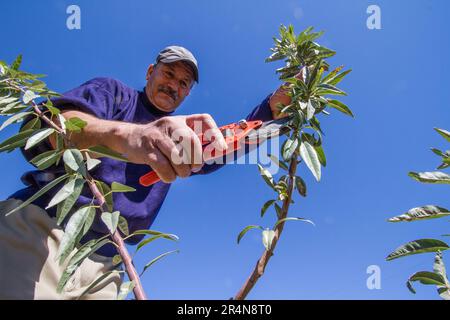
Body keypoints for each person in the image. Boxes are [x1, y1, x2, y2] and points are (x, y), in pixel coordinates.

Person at [0, 46, 292, 300]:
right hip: (44, 231)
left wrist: (270, 110)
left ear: (188, 92)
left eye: (183, 82)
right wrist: (127, 136)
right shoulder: (114, 94)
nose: (173, 85)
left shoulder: (181, 135)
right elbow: (53, 126)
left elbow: (226, 144)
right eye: (168, 74)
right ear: (150, 71)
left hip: (108, 261)